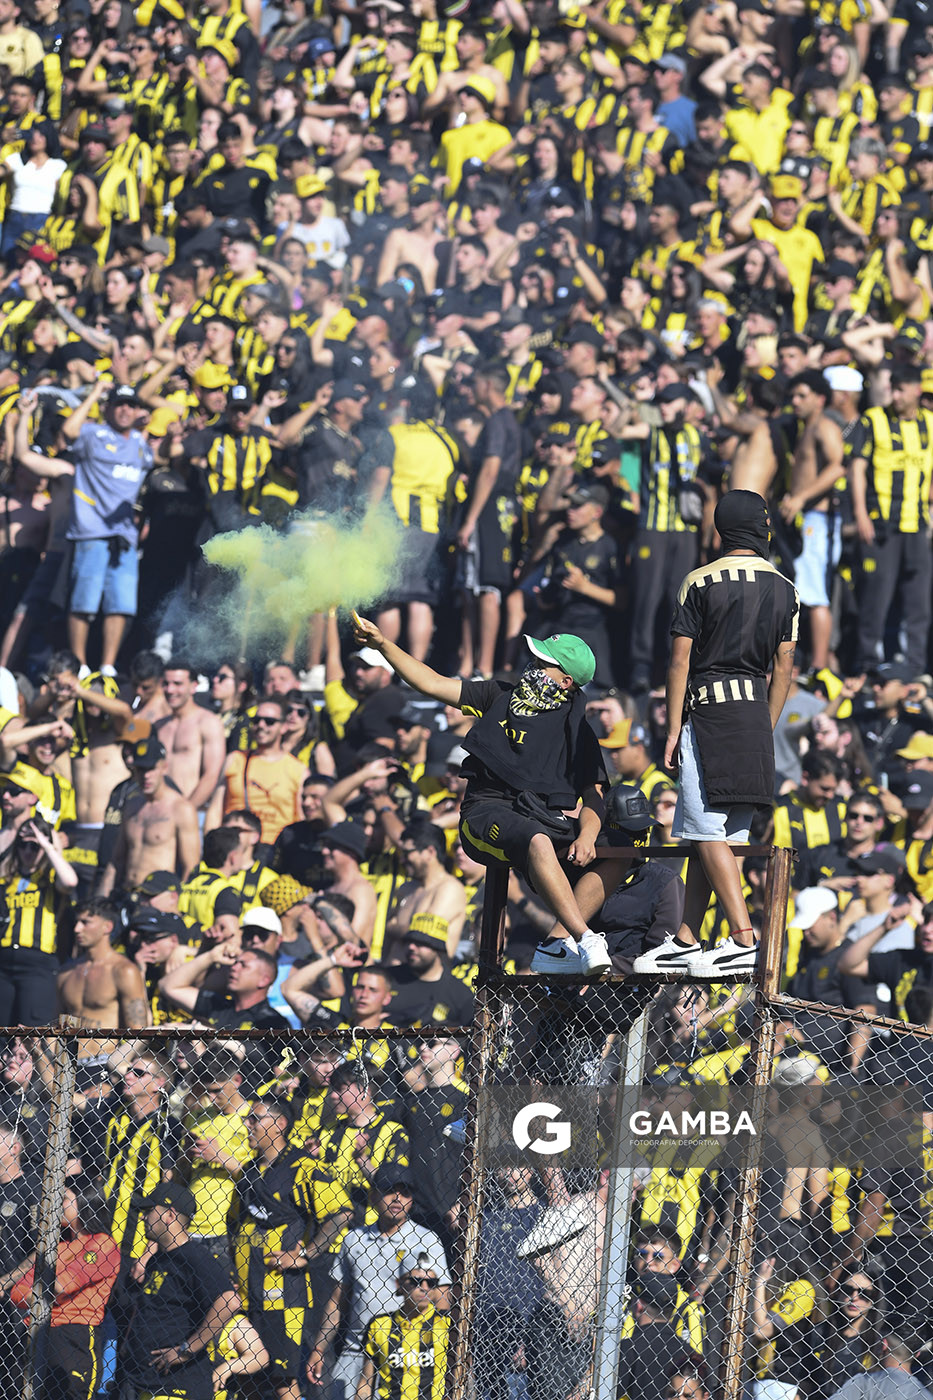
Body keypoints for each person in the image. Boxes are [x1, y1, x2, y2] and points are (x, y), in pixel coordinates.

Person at [351, 615, 613, 978]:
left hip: (536, 815)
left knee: (620, 846)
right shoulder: (498, 695)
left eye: (543, 664)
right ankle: (585, 939)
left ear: (566, 681)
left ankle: (555, 943)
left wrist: (586, 836)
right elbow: (431, 683)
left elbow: (595, 795)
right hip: (484, 812)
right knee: (536, 840)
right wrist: (382, 644)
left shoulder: (579, 733)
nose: (531, 667)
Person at [632, 490, 798, 977]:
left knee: (705, 831)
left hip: (706, 712)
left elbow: (680, 659)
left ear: (722, 528)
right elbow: (784, 665)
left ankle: (744, 938)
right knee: (713, 836)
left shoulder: (700, 581)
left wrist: (671, 724)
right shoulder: (786, 586)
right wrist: (766, 725)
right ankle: (686, 939)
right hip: (754, 714)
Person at [309, 1167, 450, 1400]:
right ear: (373, 1196)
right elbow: (337, 1301)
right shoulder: (354, 1239)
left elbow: (441, 1298)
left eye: (405, 1193)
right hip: (355, 1351)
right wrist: (319, 1347)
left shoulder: (425, 1240)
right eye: (389, 1191)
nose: (397, 1198)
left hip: (405, 1354)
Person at [114, 1182, 240, 1400]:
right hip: (144, 1383)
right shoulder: (157, 1259)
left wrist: (187, 1349)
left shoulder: (193, 1257)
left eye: (150, 1211)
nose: (143, 1218)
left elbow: (229, 1301)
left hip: (176, 1388)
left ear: (170, 1216)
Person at [62, 381, 153, 677]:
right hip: (92, 532)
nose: (125, 409)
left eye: (130, 404)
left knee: (121, 605)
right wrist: (94, 393)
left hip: (124, 536)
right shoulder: (93, 433)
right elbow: (68, 432)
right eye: (119, 404)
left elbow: (162, 456)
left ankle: (108, 666)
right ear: (108, 407)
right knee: (83, 603)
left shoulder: (139, 442)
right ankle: (79, 666)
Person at [6, 1181, 121, 1400]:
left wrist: (36, 1294)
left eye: (65, 1199)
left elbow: (62, 1285)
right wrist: (42, 1295)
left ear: (86, 1203)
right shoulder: (57, 1245)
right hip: (36, 1330)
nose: (57, 1205)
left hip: (74, 1335)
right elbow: (17, 1292)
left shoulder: (102, 1243)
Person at [355, 1252, 451, 1400]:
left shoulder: (446, 1322)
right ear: (399, 1284)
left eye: (431, 1282)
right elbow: (365, 1383)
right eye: (416, 1281)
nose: (424, 1287)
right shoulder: (380, 1324)